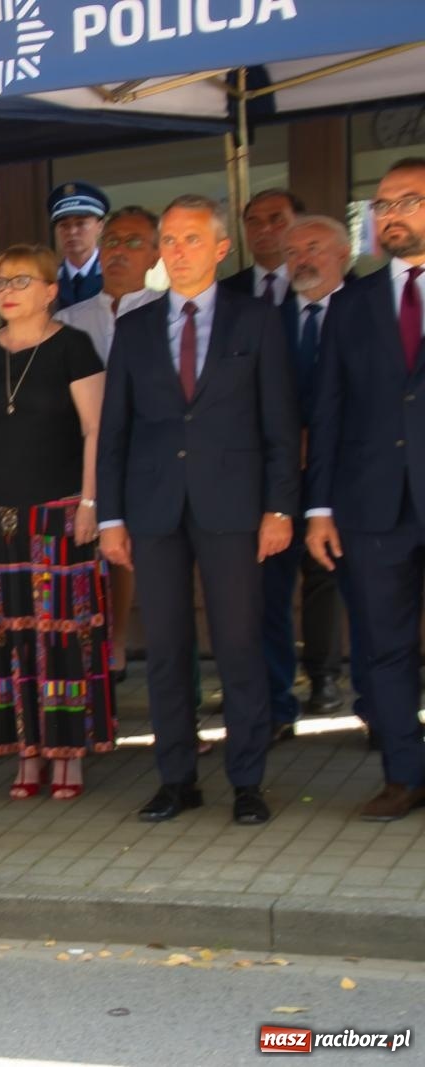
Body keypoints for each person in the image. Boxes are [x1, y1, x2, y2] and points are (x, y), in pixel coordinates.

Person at [98, 195, 299, 826]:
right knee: (166, 649)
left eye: (191, 239)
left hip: (233, 504)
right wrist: (110, 518)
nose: (178, 250)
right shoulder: (135, 327)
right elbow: (114, 430)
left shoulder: (256, 319)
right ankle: (176, 778)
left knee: (238, 643)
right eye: (169, 239)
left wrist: (279, 508)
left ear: (220, 248)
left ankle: (247, 780)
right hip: (154, 507)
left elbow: (279, 422)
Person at [0, 246, 114, 802]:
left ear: (50, 291)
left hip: (58, 509)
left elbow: (95, 428)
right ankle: (25, 749)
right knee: (3, 634)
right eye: (0, 282)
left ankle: (67, 754)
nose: (8, 291)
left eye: (21, 281)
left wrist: (91, 501)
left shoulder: (73, 346)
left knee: (61, 632)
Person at [306, 157, 425, 820]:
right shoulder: (352, 303)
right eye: (382, 205)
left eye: (407, 201)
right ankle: (405, 774)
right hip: (371, 505)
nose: (391, 215)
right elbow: (328, 409)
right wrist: (319, 507)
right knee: (384, 645)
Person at [264, 215, 367, 738]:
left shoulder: (369, 310)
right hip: (280, 479)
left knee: (361, 591)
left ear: (343, 254)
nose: (302, 259)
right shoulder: (266, 320)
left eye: (314, 248)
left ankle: (358, 697)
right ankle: (276, 706)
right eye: (292, 251)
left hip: (354, 475)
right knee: (269, 592)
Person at [56, 205, 165, 680]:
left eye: (134, 242)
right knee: (93, 556)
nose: (120, 251)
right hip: (85, 459)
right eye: (113, 241)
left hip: (155, 458)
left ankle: (164, 676)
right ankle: (102, 657)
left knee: (156, 566)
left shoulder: (171, 310)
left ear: (156, 253)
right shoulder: (69, 320)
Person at [221, 189, 304, 305]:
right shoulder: (224, 291)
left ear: (300, 225)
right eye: (254, 222)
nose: (264, 229)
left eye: (277, 220)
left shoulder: (321, 284)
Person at [48, 182, 109, 309]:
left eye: (80, 223)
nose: (72, 232)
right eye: (64, 225)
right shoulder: (48, 278)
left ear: (100, 226)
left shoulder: (113, 273)